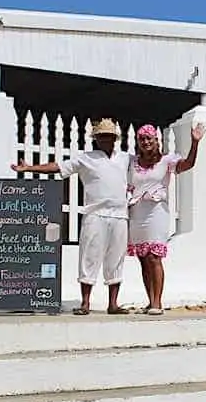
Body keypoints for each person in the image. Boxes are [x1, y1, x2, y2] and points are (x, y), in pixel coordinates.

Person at [10, 117, 131, 316]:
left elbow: (148, 165)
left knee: (116, 259)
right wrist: (30, 168)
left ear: (115, 139)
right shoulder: (86, 158)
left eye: (109, 137)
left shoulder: (126, 158)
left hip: (120, 215)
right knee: (89, 257)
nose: (105, 140)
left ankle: (113, 304)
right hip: (95, 214)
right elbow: (58, 167)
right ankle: (85, 303)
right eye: (101, 137)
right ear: (96, 139)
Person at [127, 122, 204, 315]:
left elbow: (187, 164)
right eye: (142, 139)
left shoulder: (166, 161)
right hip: (137, 213)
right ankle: (150, 300)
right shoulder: (132, 163)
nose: (145, 142)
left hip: (157, 213)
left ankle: (157, 303)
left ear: (156, 140)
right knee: (143, 258)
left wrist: (195, 143)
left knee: (154, 257)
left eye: (149, 139)